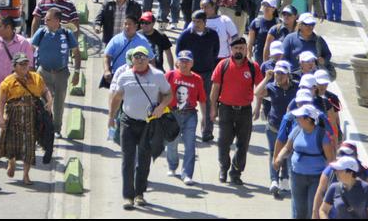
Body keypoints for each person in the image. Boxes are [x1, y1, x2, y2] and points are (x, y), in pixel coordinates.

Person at [109, 46, 173, 210]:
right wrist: (111, 117)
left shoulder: (157, 75)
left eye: (143, 56)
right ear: (132, 60)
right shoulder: (125, 76)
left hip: (148, 124)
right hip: (128, 122)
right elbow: (116, 98)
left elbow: (168, 94)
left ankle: (139, 194)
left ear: (148, 59)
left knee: (144, 161)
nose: (140, 59)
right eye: (136, 57)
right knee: (127, 160)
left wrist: (161, 106)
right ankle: (128, 196)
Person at [0, 17, 34, 163]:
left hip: (15, 89)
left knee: (13, 121)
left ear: (9, 27)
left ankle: (10, 151)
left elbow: (29, 66)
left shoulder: (23, 43)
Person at [0, 53, 52, 186]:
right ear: (14, 66)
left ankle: (26, 175)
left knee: (29, 146)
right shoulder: (7, 82)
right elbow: (1, 100)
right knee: (11, 143)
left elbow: (45, 91)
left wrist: (50, 100)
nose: (25, 66)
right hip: (13, 115)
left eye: (26, 63)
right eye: (21, 64)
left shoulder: (36, 78)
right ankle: (11, 161)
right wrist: (0, 116)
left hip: (31, 116)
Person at [211, 36, 261, 185]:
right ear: (231, 49)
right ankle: (223, 167)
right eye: (236, 48)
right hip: (226, 109)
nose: (239, 51)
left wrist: (258, 108)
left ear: (246, 49)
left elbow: (259, 89)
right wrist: (213, 109)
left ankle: (236, 172)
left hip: (245, 110)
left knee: (243, 143)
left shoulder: (253, 67)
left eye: (242, 48)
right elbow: (215, 89)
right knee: (223, 142)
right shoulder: (223, 65)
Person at [275, 104, 336, 218]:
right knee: (299, 210)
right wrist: (279, 157)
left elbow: (330, 160)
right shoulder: (297, 130)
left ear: (308, 119)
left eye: (299, 117)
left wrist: (327, 180)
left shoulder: (321, 135)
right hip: (297, 175)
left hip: (316, 177)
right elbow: (287, 148)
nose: (297, 119)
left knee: (312, 209)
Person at [30, 8, 80, 135]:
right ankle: (42, 129)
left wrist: (77, 72)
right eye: (45, 19)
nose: (45, 21)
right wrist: (30, 70)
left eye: (48, 19)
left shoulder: (67, 33)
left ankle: (56, 129)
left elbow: (76, 53)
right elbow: (30, 49)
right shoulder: (41, 32)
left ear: (57, 21)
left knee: (59, 103)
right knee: (42, 103)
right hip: (43, 72)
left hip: (61, 73)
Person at [254, 59, 297, 197]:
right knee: (274, 153)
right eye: (277, 73)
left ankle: (284, 178)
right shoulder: (272, 87)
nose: (279, 76)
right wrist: (267, 78)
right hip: (273, 127)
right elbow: (257, 93)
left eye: (282, 74)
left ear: (288, 75)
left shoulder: (296, 87)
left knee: (287, 153)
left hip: (290, 129)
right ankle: (274, 180)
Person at [165, 50, 206, 186]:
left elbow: (202, 100)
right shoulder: (170, 75)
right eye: (181, 60)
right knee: (172, 143)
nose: (184, 63)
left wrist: (204, 117)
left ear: (192, 63)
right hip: (172, 113)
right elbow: (160, 92)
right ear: (177, 62)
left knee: (190, 145)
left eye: (187, 61)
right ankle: (172, 166)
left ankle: (187, 174)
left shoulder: (197, 79)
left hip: (190, 114)